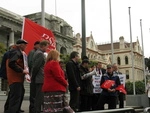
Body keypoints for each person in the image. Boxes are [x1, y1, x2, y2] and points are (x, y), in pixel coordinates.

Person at [5, 39, 28, 113]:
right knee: (16, 97)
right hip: (15, 78)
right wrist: (22, 70)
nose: (26, 47)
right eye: (25, 45)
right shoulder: (16, 52)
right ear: (21, 45)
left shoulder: (15, 51)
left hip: (17, 78)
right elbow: (11, 64)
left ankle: (12, 110)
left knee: (18, 94)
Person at [31, 40, 49, 113]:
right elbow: (36, 66)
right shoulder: (40, 54)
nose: (47, 48)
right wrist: (34, 76)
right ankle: (37, 110)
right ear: (43, 46)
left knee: (39, 96)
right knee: (39, 97)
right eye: (46, 46)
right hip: (40, 78)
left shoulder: (37, 52)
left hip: (38, 77)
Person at [28, 41, 40, 113]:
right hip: (33, 75)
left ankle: (34, 108)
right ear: (35, 45)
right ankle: (32, 109)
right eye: (38, 45)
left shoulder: (37, 53)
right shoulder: (33, 52)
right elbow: (30, 63)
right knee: (33, 93)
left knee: (35, 93)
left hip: (35, 75)